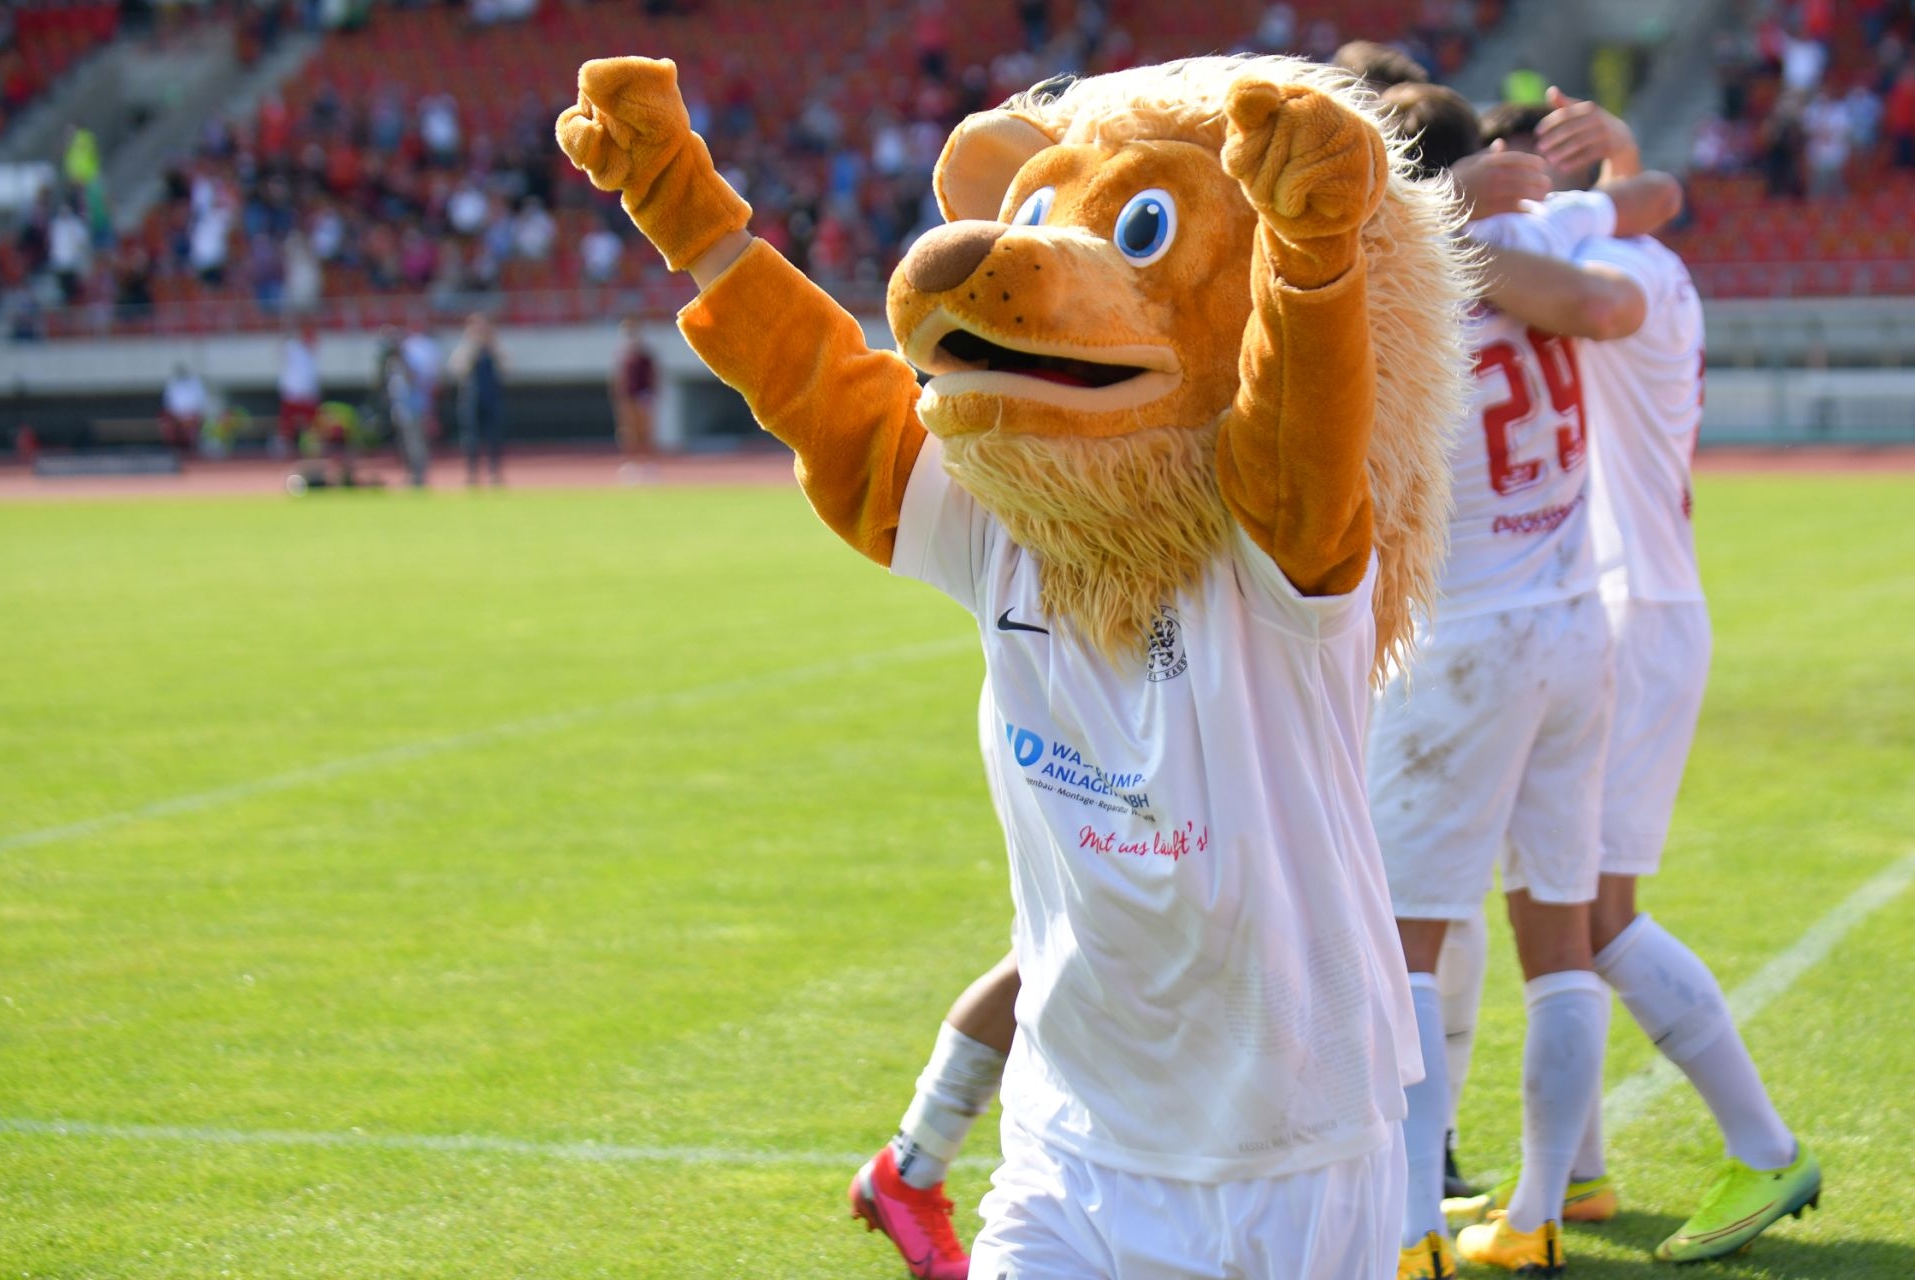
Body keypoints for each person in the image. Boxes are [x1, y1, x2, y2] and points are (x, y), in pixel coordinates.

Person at [557, 53, 1471, 1280]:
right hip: (1069, 1135)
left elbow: (1300, 427)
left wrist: (1311, 262)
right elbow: (825, 390)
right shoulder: (1000, 527)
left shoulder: (1275, 569)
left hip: (1284, 1151)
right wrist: (688, 209)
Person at [1443, 129, 1820, 1268]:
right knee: (1550, 902)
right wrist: (1624, 174)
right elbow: (1654, 194)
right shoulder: (1632, 245)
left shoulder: (1593, 264)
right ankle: (1575, 1172)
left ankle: (1764, 1145)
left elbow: (1574, 272)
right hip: (1614, 602)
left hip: (1626, 609)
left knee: (1593, 917)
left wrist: (1431, 215)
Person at [1365, 84, 1682, 1279]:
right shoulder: (1540, 239)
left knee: (1402, 944)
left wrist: (1425, 212)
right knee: (1556, 929)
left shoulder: (1388, 266)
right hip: (1573, 618)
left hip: (1465, 631)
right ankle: (1540, 1208)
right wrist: (1606, 156)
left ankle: (1409, 1228)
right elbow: (1652, 207)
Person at [450, 314, 505, 485]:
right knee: (470, 438)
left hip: (491, 399)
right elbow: (458, 369)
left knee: (494, 437)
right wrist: (472, 347)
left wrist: (492, 346)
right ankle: (472, 473)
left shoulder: (493, 349)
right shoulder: (464, 349)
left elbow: (506, 369)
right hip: (471, 400)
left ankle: (494, 473)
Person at [376, 329, 427, 487]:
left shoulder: (411, 356)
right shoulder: (389, 362)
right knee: (403, 442)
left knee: (414, 441)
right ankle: (410, 473)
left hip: (413, 406)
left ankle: (419, 474)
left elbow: (414, 379)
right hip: (398, 406)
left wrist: (402, 359)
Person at [611, 319, 659, 482]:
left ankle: (648, 465)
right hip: (628, 398)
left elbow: (652, 377)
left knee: (644, 432)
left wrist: (649, 395)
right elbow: (620, 379)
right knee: (628, 434)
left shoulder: (645, 357)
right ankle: (632, 465)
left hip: (642, 398)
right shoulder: (624, 357)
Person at [277, 323, 321, 457]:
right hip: (293, 392)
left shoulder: (311, 352)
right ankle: (284, 446)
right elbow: (283, 343)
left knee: (312, 423)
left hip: (308, 394)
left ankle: (310, 446)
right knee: (288, 423)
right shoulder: (294, 347)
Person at [160, 364, 208, 452]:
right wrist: (177, 416)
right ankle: (175, 449)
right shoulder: (172, 383)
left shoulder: (194, 382)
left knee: (192, 426)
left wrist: (190, 415)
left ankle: (192, 449)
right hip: (176, 417)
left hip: (192, 415)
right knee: (167, 423)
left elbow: (200, 401)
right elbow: (168, 401)